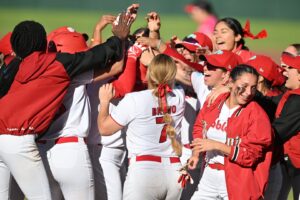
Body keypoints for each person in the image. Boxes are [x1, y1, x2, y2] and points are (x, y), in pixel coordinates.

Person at [0, 14, 131, 200]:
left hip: (40, 149)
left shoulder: (13, 68)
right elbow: (104, 60)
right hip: (66, 151)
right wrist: (121, 38)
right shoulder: (61, 68)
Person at [98, 54, 185, 200]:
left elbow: (104, 129)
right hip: (175, 172)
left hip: (144, 171)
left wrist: (104, 102)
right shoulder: (179, 96)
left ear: (150, 74)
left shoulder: (134, 99)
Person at [188, 65, 273, 200]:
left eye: (253, 87)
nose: (248, 92)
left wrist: (217, 145)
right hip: (209, 175)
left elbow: (251, 155)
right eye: (243, 86)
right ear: (230, 83)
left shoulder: (257, 115)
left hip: (238, 180)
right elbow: (199, 127)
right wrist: (196, 154)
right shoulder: (214, 102)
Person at [276, 53, 300, 200]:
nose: (284, 71)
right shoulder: (293, 96)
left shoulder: (297, 100)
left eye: (290, 68)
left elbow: (279, 130)